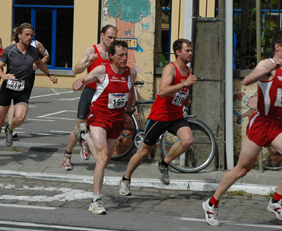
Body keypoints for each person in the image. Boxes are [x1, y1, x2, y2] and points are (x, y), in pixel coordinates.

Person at [202, 31, 282, 227]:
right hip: (261, 124)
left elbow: (280, 97)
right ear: (278, 47)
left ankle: (276, 201)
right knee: (242, 170)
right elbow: (247, 81)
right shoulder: (267, 65)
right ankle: (211, 204)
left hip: (278, 125)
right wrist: (273, 66)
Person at [118, 39, 197, 196]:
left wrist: (187, 99)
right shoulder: (170, 69)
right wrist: (183, 84)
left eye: (191, 50)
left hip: (176, 116)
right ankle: (126, 179)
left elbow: (181, 93)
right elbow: (162, 91)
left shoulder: (188, 71)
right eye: (187, 50)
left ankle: (164, 163)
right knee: (144, 152)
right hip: (160, 116)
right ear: (178, 52)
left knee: (188, 140)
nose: (190, 53)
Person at [72, 40, 136, 214]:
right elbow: (82, 80)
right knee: (103, 155)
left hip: (116, 120)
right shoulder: (102, 70)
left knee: (104, 160)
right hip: (99, 116)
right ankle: (96, 200)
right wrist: (78, 83)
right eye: (121, 55)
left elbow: (130, 93)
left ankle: (84, 135)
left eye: (126, 55)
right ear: (112, 56)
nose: (125, 58)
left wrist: (127, 111)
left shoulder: (131, 73)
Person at [0, 23, 58, 160]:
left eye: (31, 35)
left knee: (19, 118)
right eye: (27, 35)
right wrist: (3, 76)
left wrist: (49, 75)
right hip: (7, 88)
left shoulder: (33, 51)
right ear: (19, 35)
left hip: (23, 89)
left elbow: (40, 63)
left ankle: (9, 129)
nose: (29, 37)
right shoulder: (9, 50)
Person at [61, 25, 118, 171]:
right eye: (109, 37)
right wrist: (89, 62)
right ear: (102, 35)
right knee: (79, 126)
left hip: (104, 96)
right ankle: (67, 156)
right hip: (90, 91)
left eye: (114, 38)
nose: (112, 40)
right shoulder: (92, 50)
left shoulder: (114, 52)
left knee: (99, 126)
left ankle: (87, 143)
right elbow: (76, 69)